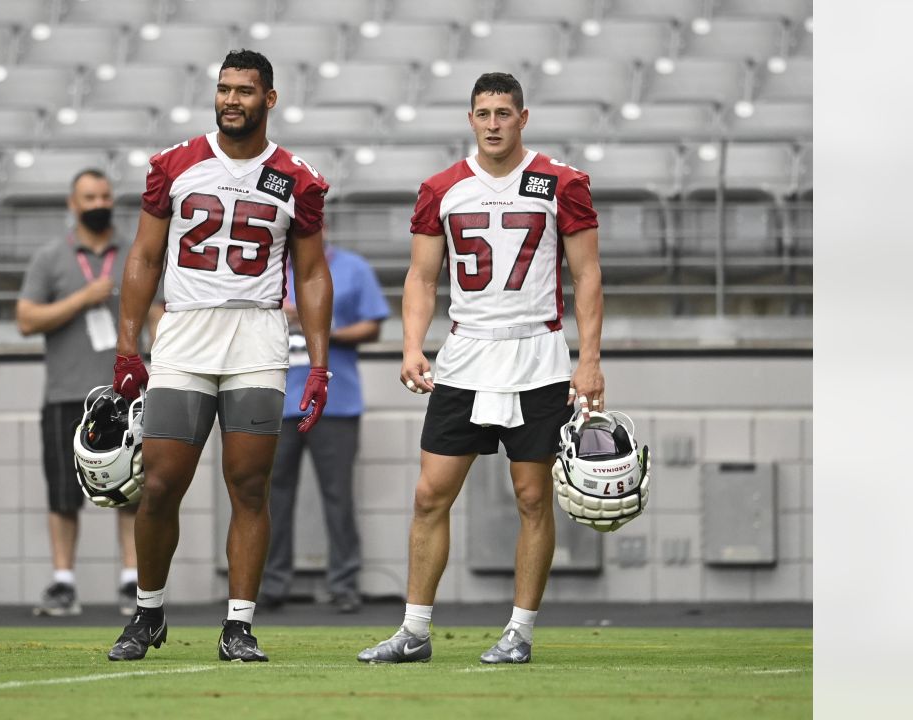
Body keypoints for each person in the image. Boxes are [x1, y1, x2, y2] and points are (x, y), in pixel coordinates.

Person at [356, 72, 604, 665]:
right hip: (465, 353)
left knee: (531, 497)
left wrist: (589, 361)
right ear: (470, 119)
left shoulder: (561, 182)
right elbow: (421, 276)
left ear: (523, 117)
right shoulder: (442, 187)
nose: (493, 123)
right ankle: (414, 631)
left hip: (537, 353)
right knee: (429, 495)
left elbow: (587, 274)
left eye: (503, 112)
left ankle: (519, 631)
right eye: (483, 113)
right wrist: (412, 344)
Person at [106, 49, 333, 662]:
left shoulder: (296, 178)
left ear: (270, 99)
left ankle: (239, 625)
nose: (232, 99)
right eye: (225, 89)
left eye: (246, 90)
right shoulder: (175, 164)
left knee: (250, 485)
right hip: (184, 331)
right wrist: (129, 346)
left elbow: (311, 274)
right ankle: (149, 611)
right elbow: (143, 257)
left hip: (258, 333)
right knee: (159, 482)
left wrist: (318, 362)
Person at [17, 169, 146, 617]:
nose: (98, 203)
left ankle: (133, 582)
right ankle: (63, 583)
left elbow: (160, 313)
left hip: (125, 393)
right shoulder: (51, 257)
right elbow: (26, 320)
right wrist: (82, 299)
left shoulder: (137, 252)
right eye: (89, 197)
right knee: (62, 495)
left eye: (105, 195)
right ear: (72, 204)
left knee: (129, 489)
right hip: (66, 393)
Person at [260, 246, 388, 614]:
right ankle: (271, 583)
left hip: (336, 402)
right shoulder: (263, 265)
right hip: (275, 400)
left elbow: (373, 325)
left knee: (338, 497)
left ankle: (344, 584)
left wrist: (315, 324)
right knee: (270, 499)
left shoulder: (353, 267)